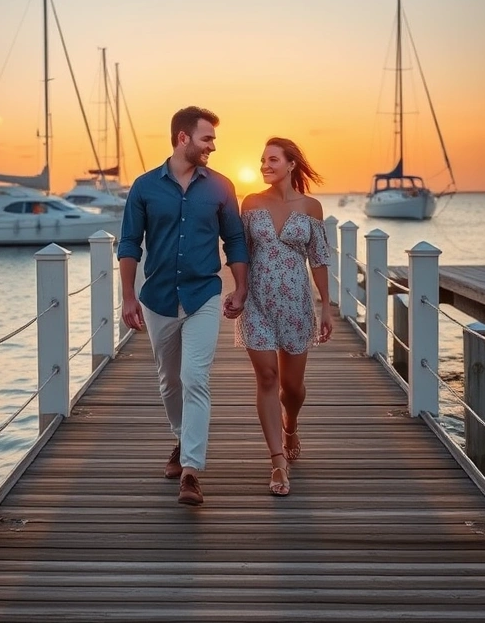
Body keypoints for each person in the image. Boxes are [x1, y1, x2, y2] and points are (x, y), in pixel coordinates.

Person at [117, 106, 249, 506]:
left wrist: (240, 288)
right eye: (207, 138)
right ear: (182, 139)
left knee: (195, 378)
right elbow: (128, 244)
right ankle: (180, 439)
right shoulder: (143, 188)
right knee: (169, 382)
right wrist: (127, 296)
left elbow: (236, 241)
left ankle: (191, 470)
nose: (213, 146)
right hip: (157, 298)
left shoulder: (222, 187)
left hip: (203, 295)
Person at [236, 137, 333, 497]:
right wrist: (238, 291)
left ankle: (291, 424)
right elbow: (241, 255)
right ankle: (278, 461)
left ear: (291, 164)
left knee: (291, 389)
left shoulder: (311, 207)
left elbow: (319, 259)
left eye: (272, 159)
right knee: (266, 377)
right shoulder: (252, 203)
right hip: (258, 304)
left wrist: (326, 306)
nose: (264, 165)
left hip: (296, 307)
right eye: (262, 160)